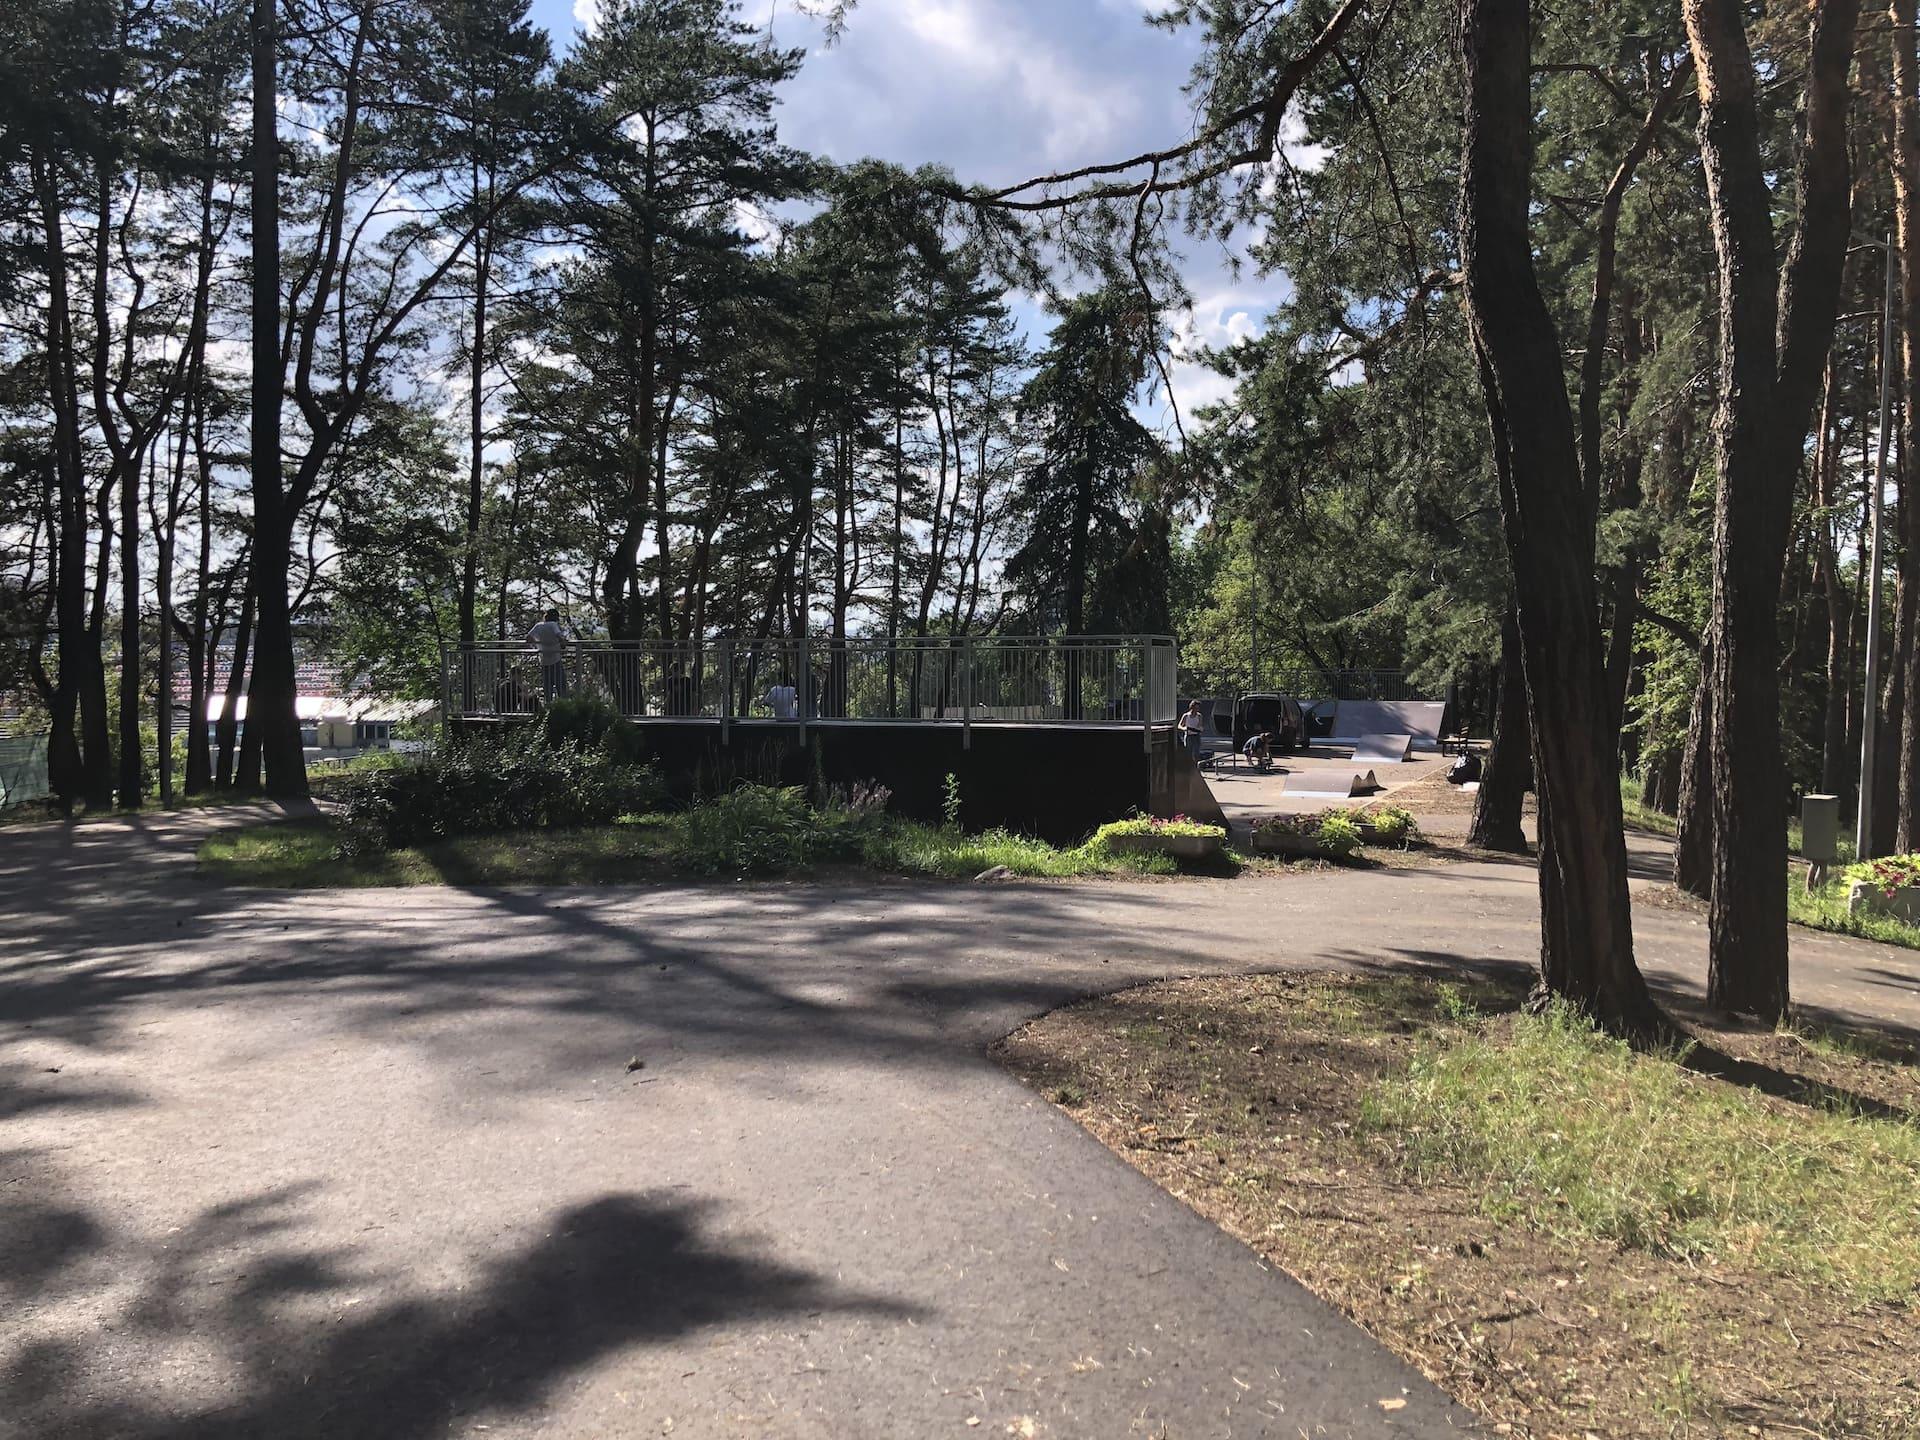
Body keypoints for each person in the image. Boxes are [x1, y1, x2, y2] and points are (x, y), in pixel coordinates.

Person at [526, 608, 569, 701]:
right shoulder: (553, 625)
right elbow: (559, 636)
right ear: (556, 618)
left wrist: (538, 645)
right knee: (561, 686)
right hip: (555, 660)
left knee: (547, 687)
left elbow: (528, 637)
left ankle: (548, 708)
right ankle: (564, 707)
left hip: (544, 660)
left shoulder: (539, 626)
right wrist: (563, 644)